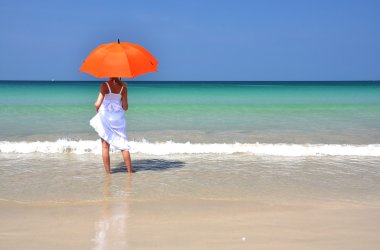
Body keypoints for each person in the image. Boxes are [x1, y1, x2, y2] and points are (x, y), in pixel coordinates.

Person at [90, 77, 132, 174]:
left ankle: (108, 173)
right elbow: (125, 107)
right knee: (124, 145)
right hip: (118, 118)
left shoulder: (105, 85)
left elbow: (98, 103)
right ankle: (130, 172)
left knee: (105, 146)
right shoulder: (123, 88)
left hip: (105, 117)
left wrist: (96, 107)